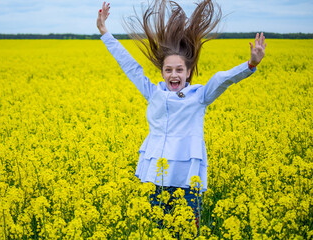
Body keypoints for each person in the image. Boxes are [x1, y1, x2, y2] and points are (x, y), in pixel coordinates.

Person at [96, 0, 266, 233]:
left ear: (188, 72)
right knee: (156, 230)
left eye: (179, 70)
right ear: (162, 72)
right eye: (168, 70)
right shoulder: (153, 93)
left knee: (185, 233)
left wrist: (250, 64)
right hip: (155, 177)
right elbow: (131, 67)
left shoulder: (199, 95)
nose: (173, 74)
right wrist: (105, 33)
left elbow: (221, 79)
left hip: (187, 179)